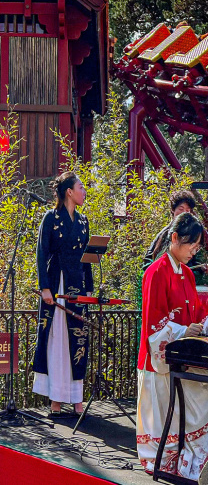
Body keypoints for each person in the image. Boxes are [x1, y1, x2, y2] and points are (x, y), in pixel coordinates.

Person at [136, 212, 208, 479]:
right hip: (160, 365)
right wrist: (185, 330)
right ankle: (190, 456)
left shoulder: (186, 273)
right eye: (191, 246)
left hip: (183, 357)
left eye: (197, 247)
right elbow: (154, 326)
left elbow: (197, 317)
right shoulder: (155, 272)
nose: (193, 252)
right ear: (174, 239)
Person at [33, 172, 94, 417]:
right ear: (69, 191)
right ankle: (56, 400)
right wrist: (45, 287)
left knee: (77, 339)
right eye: (81, 187)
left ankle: (77, 399)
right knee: (57, 338)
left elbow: (88, 260)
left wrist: (89, 289)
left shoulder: (83, 222)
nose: (84, 191)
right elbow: (41, 253)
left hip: (77, 284)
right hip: (57, 283)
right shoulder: (50, 218)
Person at [142, 190, 208, 284]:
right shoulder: (164, 234)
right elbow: (148, 262)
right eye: (181, 209)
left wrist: (200, 268)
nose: (184, 213)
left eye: (187, 210)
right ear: (173, 210)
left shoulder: (193, 233)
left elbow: (194, 261)